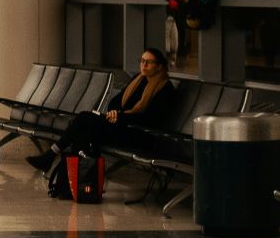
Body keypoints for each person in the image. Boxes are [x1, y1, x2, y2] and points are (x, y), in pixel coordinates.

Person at [35, 48, 176, 196]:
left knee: (84, 121)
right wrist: (115, 113)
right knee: (84, 127)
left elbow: (150, 119)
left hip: (138, 134)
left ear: (159, 66)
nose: (144, 65)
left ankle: (59, 165)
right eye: (142, 61)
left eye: (149, 62)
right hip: (121, 127)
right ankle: (77, 183)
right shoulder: (138, 80)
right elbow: (115, 102)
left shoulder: (165, 89)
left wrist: (120, 116)